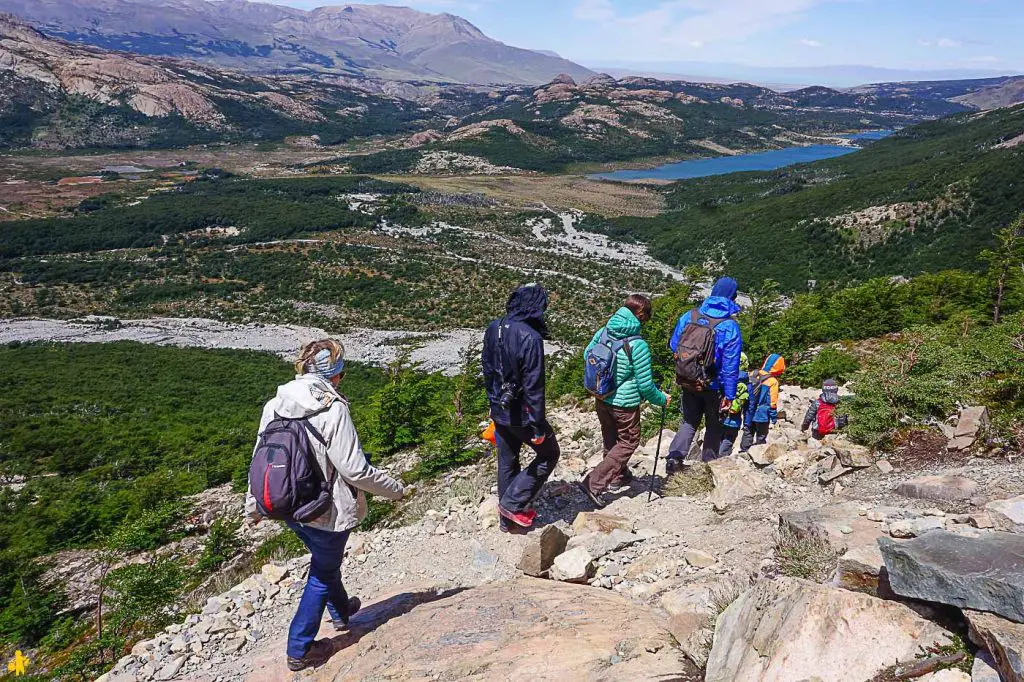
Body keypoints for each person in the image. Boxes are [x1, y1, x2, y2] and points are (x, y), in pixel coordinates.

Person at [245, 339, 404, 672]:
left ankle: (342, 610)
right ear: (336, 375)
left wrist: (254, 506)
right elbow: (355, 470)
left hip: (286, 504)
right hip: (323, 509)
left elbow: (261, 458)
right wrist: (396, 490)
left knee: (324, 560)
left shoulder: (274, 404)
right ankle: (300, 649)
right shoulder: (333, 408)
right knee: (322, 572)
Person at [579, 295, 671, 507]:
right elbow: (646, 386)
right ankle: (594, 483)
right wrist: (661, 399)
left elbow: (587, 355)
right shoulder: (637, 345)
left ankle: (618, 476)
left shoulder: (604, 331)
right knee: (628, 441)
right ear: (641, 315)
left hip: (601, 397)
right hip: (624, 404)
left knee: (611, 439)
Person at [482, 284, 560, 532]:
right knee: (549, 454)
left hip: (500, 408)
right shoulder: (531, 337)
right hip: (523, 414)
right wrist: (537, 424)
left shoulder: (494, 328)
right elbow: (534, 385)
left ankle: (507, 522)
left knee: (507, 461)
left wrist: (493, 404)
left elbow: (487, 369)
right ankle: (513, 504)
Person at [665, 277, 743, 471]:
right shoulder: (729, 326)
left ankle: (674, 459)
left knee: (689, 421)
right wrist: (730, 395)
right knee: (714, 426)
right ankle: (708, 466)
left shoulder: (689, 316)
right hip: (713, 385)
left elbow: (674, 345)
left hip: (688, 380)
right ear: (733, 297)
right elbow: (730, 367)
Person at [741, 353, 787, 451]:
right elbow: (772, 402)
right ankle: (757, 455)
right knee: (761, 436)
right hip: (762, 414)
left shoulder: (754, 373)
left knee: (748, 431)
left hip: (749, 410)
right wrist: (774, 417)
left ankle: (743, 452)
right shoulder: (772, 381)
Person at [719, 352, 750, 457]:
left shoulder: (724, 377)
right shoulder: (745, 382)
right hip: (734, 420)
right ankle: (721, 460)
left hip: (720, 415)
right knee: (728, 439)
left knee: (718, 437)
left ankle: (713, 458)